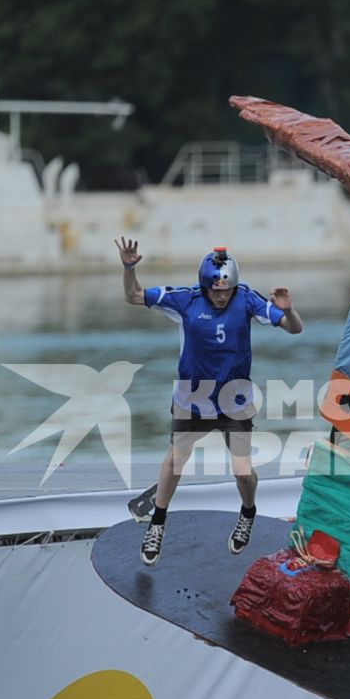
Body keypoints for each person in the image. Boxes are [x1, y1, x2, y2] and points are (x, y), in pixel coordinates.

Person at [118, 238, 301, 565]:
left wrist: (289, 311)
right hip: (193, 398)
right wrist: (129, 268)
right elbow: (133, 296)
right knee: (175, 460)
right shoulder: (185, 301)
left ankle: (248, 513)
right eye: (216, 290)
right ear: (205, 286)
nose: (221, 295)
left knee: (243, 473)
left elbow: (293, 330)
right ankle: (157, 524)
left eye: (226, 290)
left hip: (235, 399)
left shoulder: (246, 299)